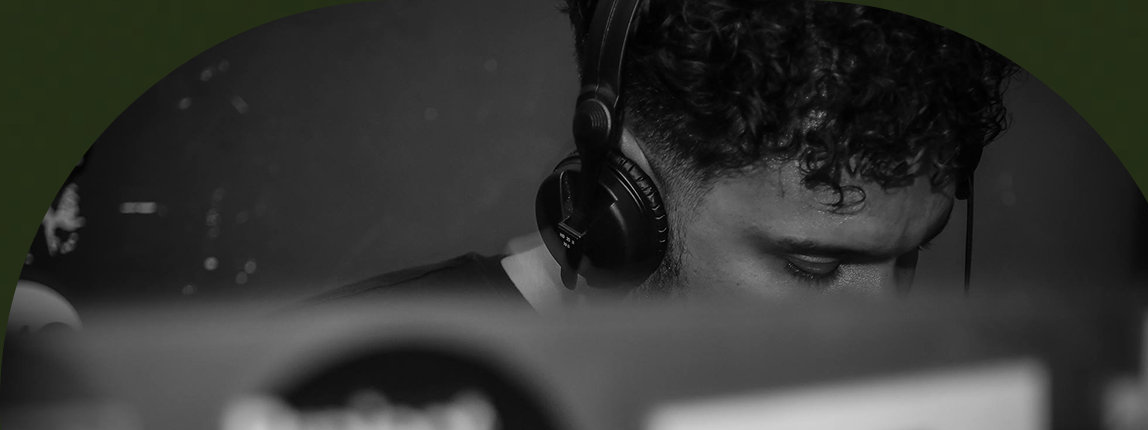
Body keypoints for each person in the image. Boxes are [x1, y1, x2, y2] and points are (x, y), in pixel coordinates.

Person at [311, 0, 1018, 310]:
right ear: (619, 209)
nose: (884, 324)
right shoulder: (347, 410)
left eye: (911, 256)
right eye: (815, 265)